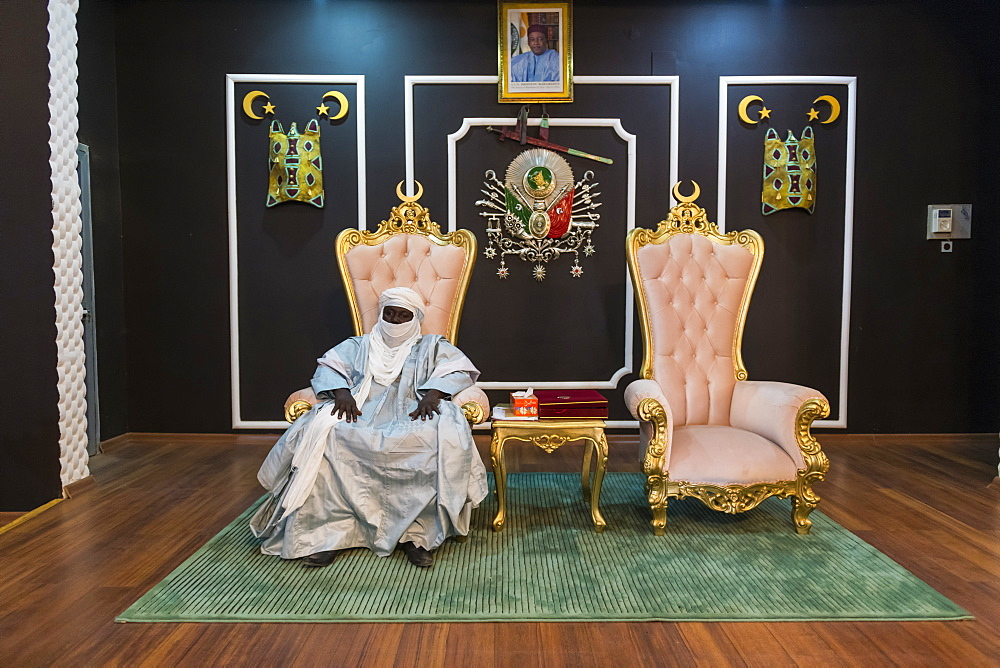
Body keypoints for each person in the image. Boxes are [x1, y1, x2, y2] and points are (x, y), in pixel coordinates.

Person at [250, 287, 488, 568]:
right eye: (389, 314)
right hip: (361, 409)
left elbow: (458, 370)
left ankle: (416, 536)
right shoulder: (358, 345)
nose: (395, 321)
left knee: (432, 436)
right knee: (331, 434)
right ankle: (329, 535)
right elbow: (329, 369)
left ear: (415, 318)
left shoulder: (432, 346)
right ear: (381, 314)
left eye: (403, 315)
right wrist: (341, 393)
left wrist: (433, 395)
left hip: (413, 409)